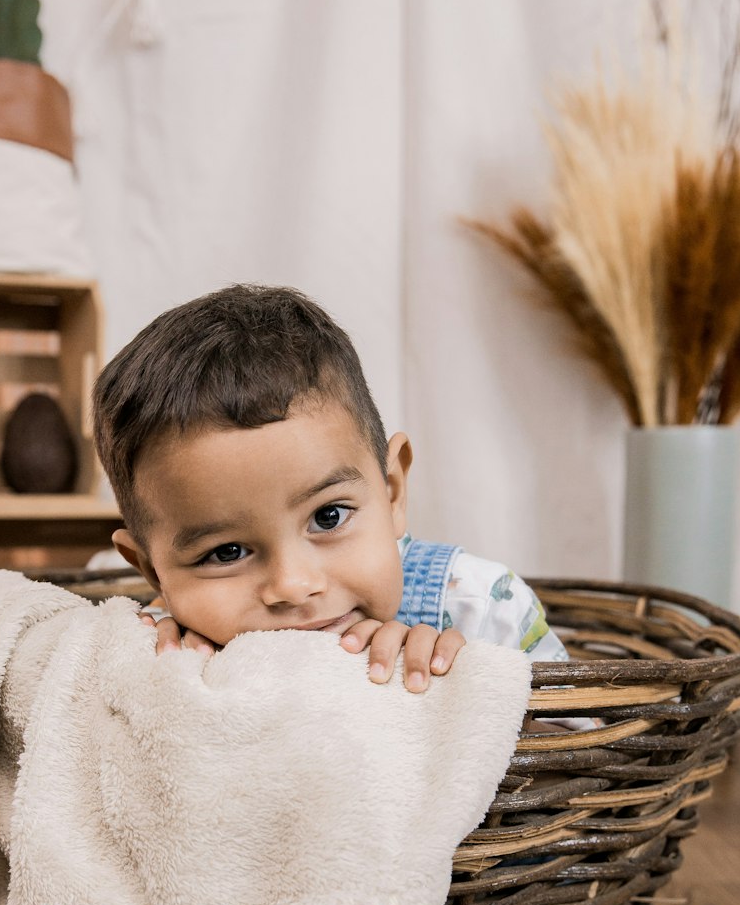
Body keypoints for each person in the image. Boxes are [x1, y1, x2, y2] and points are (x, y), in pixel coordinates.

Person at [92, 283, 569, 691]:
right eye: (226, 552)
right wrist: (169, 674)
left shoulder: (481, 607)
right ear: (153, 572)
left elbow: (588, 754)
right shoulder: (157, 651)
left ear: (391, 491)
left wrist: (469, 695)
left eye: (328, 517)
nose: (293, 587)